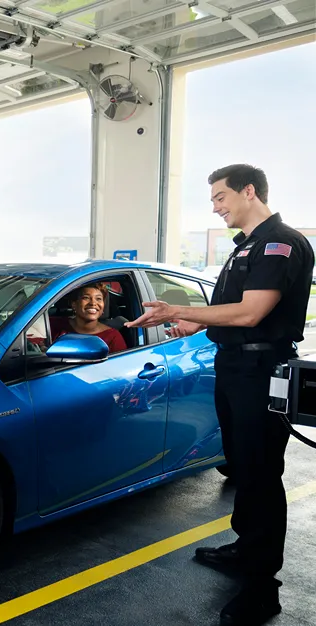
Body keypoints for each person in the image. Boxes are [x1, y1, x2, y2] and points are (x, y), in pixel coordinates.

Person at [125, 164, 314, 626]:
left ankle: (261, 589)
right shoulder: (245, 247)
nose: (215, 205)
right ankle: (244, 549)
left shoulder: (280, 243)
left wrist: (177, 307)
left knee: (260, 475)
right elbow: (232, 314)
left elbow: (251, 314)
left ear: (249, 191)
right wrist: (194, 322)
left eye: (220, 196)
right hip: (235, 367)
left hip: (260, 370)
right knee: (241, 463)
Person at [50, 283, 127, 353]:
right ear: (74, 304)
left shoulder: (113, 337)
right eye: (86, 298)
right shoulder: (54, 325)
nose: (93, 303)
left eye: (98, 299)